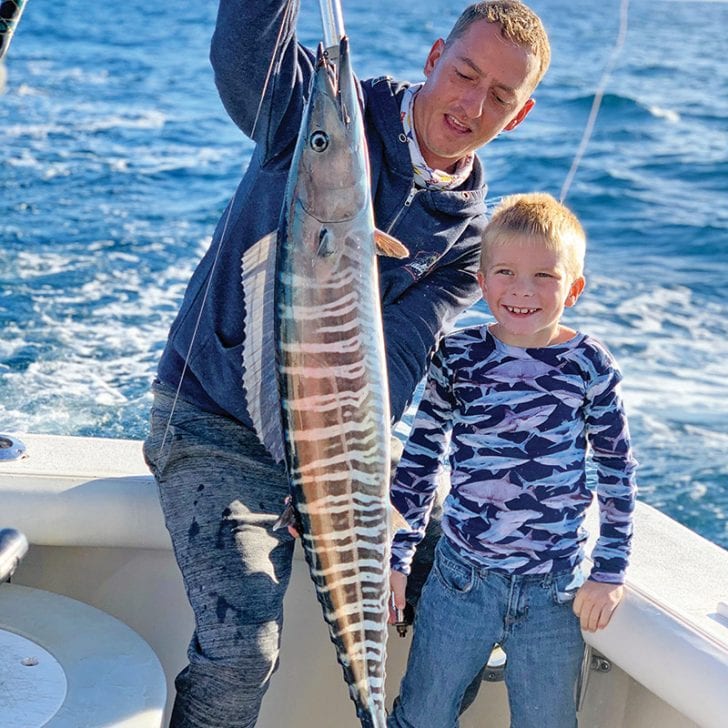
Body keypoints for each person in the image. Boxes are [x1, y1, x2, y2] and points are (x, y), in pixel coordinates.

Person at [142, 1, 551, 725]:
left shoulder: (465, 241)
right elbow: (246, 51)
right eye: (464, 73)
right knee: (243, 649)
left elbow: (392, 361)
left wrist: (335, 477)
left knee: (478, 581)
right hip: (215, 426)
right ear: (434, 57)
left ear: (518, 116)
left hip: (345, 434)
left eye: (499, 96)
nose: (471, 104)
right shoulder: (314, 113)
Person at [387, 193, 638, 728]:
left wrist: (609, 570)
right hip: (460, 581)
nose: (523, 289)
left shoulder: (589, 363)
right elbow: (422, 457)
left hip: (556, 589)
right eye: (504, 271)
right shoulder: (457, 355)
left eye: (544, 276)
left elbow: (617, 471)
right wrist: (397, 557)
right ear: (481, 281)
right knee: (423, 714)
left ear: (573, 288)